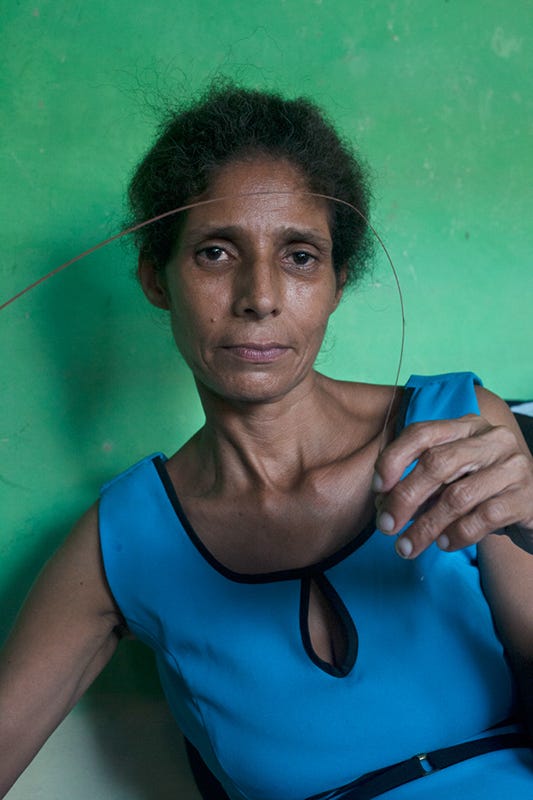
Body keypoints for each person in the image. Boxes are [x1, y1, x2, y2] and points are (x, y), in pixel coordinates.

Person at [1, 83, 532, 800]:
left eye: (300, 256)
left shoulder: (456, 432)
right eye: (216, 252)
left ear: (338, 282)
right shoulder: (122, 540)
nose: (260, 296)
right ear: (156, 279)